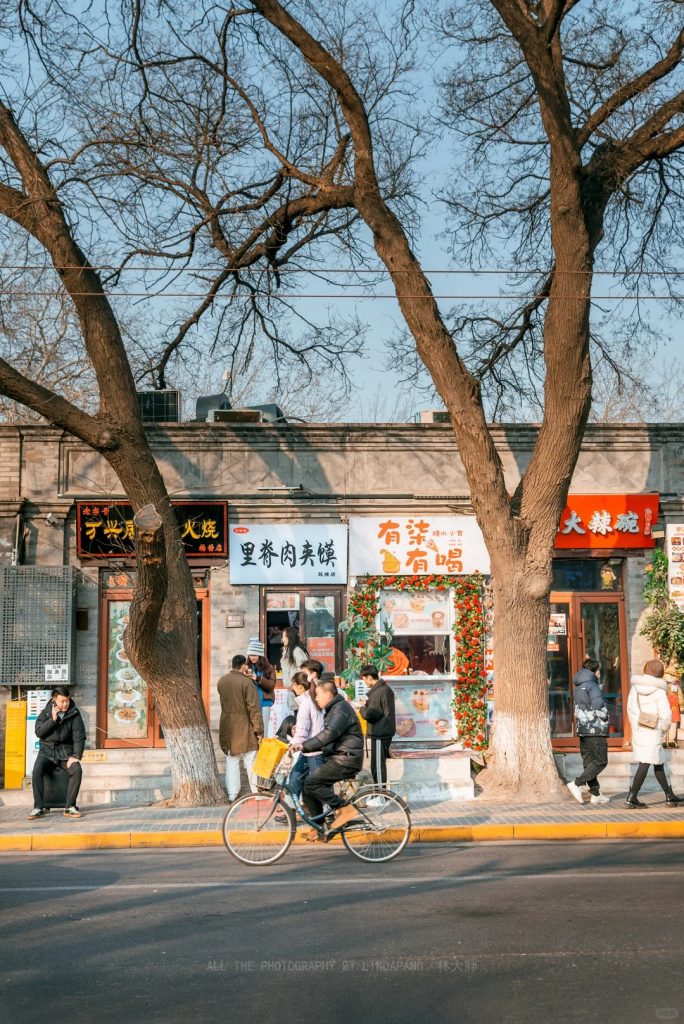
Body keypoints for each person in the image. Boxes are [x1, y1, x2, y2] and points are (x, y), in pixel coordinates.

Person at [293, 680, 364, 839]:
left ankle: (345, 808)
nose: (316, 699)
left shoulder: (341, 709)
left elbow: (329, 734)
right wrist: (307, 746)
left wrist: (304, 746)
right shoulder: (334, 709)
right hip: (340, 756)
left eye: (318, 695)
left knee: (311, 782)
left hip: (346, 759)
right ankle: (321, 828)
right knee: (307, 786)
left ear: (328, 694)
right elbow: (329, 738)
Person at [625, 659, 683, 808]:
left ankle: (669, 796)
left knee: (658, 762)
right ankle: (632, 797)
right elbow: (666, 714)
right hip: (653, 730)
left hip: (639, 728)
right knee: (645, 763)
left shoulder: (635, 688)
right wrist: (663, 728)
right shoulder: (659, 691)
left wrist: (636, 726)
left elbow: (630, 709)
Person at [29, 686, 86, 820]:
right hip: (46, 752)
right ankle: (38, 807)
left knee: (76, 770)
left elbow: (79, 736)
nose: (65, 704)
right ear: (54, 700)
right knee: (37, 770)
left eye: (66, 700)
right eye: (61, 701)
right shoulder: (46, 713)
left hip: (65, 753)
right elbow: (39, 733)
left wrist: (76, 755)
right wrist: (52, 720)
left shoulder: (74, 713)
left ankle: (70, 807)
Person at [217, 654, 264, 802]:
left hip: (228, 725)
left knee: (232, 759)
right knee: (250, 760)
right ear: (243, 666)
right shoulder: (247, 683)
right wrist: (259, 730)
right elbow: (253, 708)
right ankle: (256, 791)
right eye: (246, 665)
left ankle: (232, 794)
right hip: (245, 726)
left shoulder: (222, 681)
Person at [566, 658, 610, 805]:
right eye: (599, 670)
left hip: (583, 729)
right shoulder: (593, 685)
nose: (599, 673)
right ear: (595, 671)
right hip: (595, 729)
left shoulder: (578, 685)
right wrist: (606, 717)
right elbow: (599, 708)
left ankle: (595, 794)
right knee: (601, 761)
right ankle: (577, 783)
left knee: (589, 762)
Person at [356, 664, 396, 787]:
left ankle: (381, 795)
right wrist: (368, 703)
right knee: (377, 765)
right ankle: (380, 793)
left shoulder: (378, 692)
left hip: (380, 733)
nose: (364, 683)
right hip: (383, 732)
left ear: (369, 677)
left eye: (364, 679)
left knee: (377, 767)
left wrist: (361, 708)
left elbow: (371, 714)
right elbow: (380, 707)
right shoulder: (384, 689)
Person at [288, 671, 325, 801]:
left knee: (317, 784)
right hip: (310, 748)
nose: (292, 688)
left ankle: (329, 812)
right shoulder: (313, 699)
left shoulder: (307, 702)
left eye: (293, 684)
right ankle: (291, 809)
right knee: (295, 777)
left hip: (313, 750)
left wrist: (293, 745)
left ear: (300, 687)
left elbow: (303, 729)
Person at [245, 638, 276, 738]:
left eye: (254, 655)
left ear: (260, 655)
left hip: (264, 703)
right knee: (253, 731)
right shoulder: (247, 668)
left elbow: (271, 685)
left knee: (264, 731)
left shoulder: (269, 668)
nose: (252, 657)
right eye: (250, 655)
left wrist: (257, 678)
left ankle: (263, 751)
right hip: (252, 704)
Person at [280, 626, 309, 711]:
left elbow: (304, 671)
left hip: (299, 690)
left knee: (300, 716)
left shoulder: (296, 651)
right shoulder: (287, 651)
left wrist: (295, 685)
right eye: (283, 636)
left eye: (286, 636)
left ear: (291, 637)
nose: (283, 639)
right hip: (294, 690)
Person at [664, 670, 684, 748]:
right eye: (670, 674)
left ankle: (671, 740)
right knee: (664, 722)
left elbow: (680, 696)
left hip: (674, 707)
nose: (672, 676)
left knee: (673, 723)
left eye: (673, 675)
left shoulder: (676, 686)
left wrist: (681, 706)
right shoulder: (662, 685)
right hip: (665, 706)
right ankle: (664, 740)